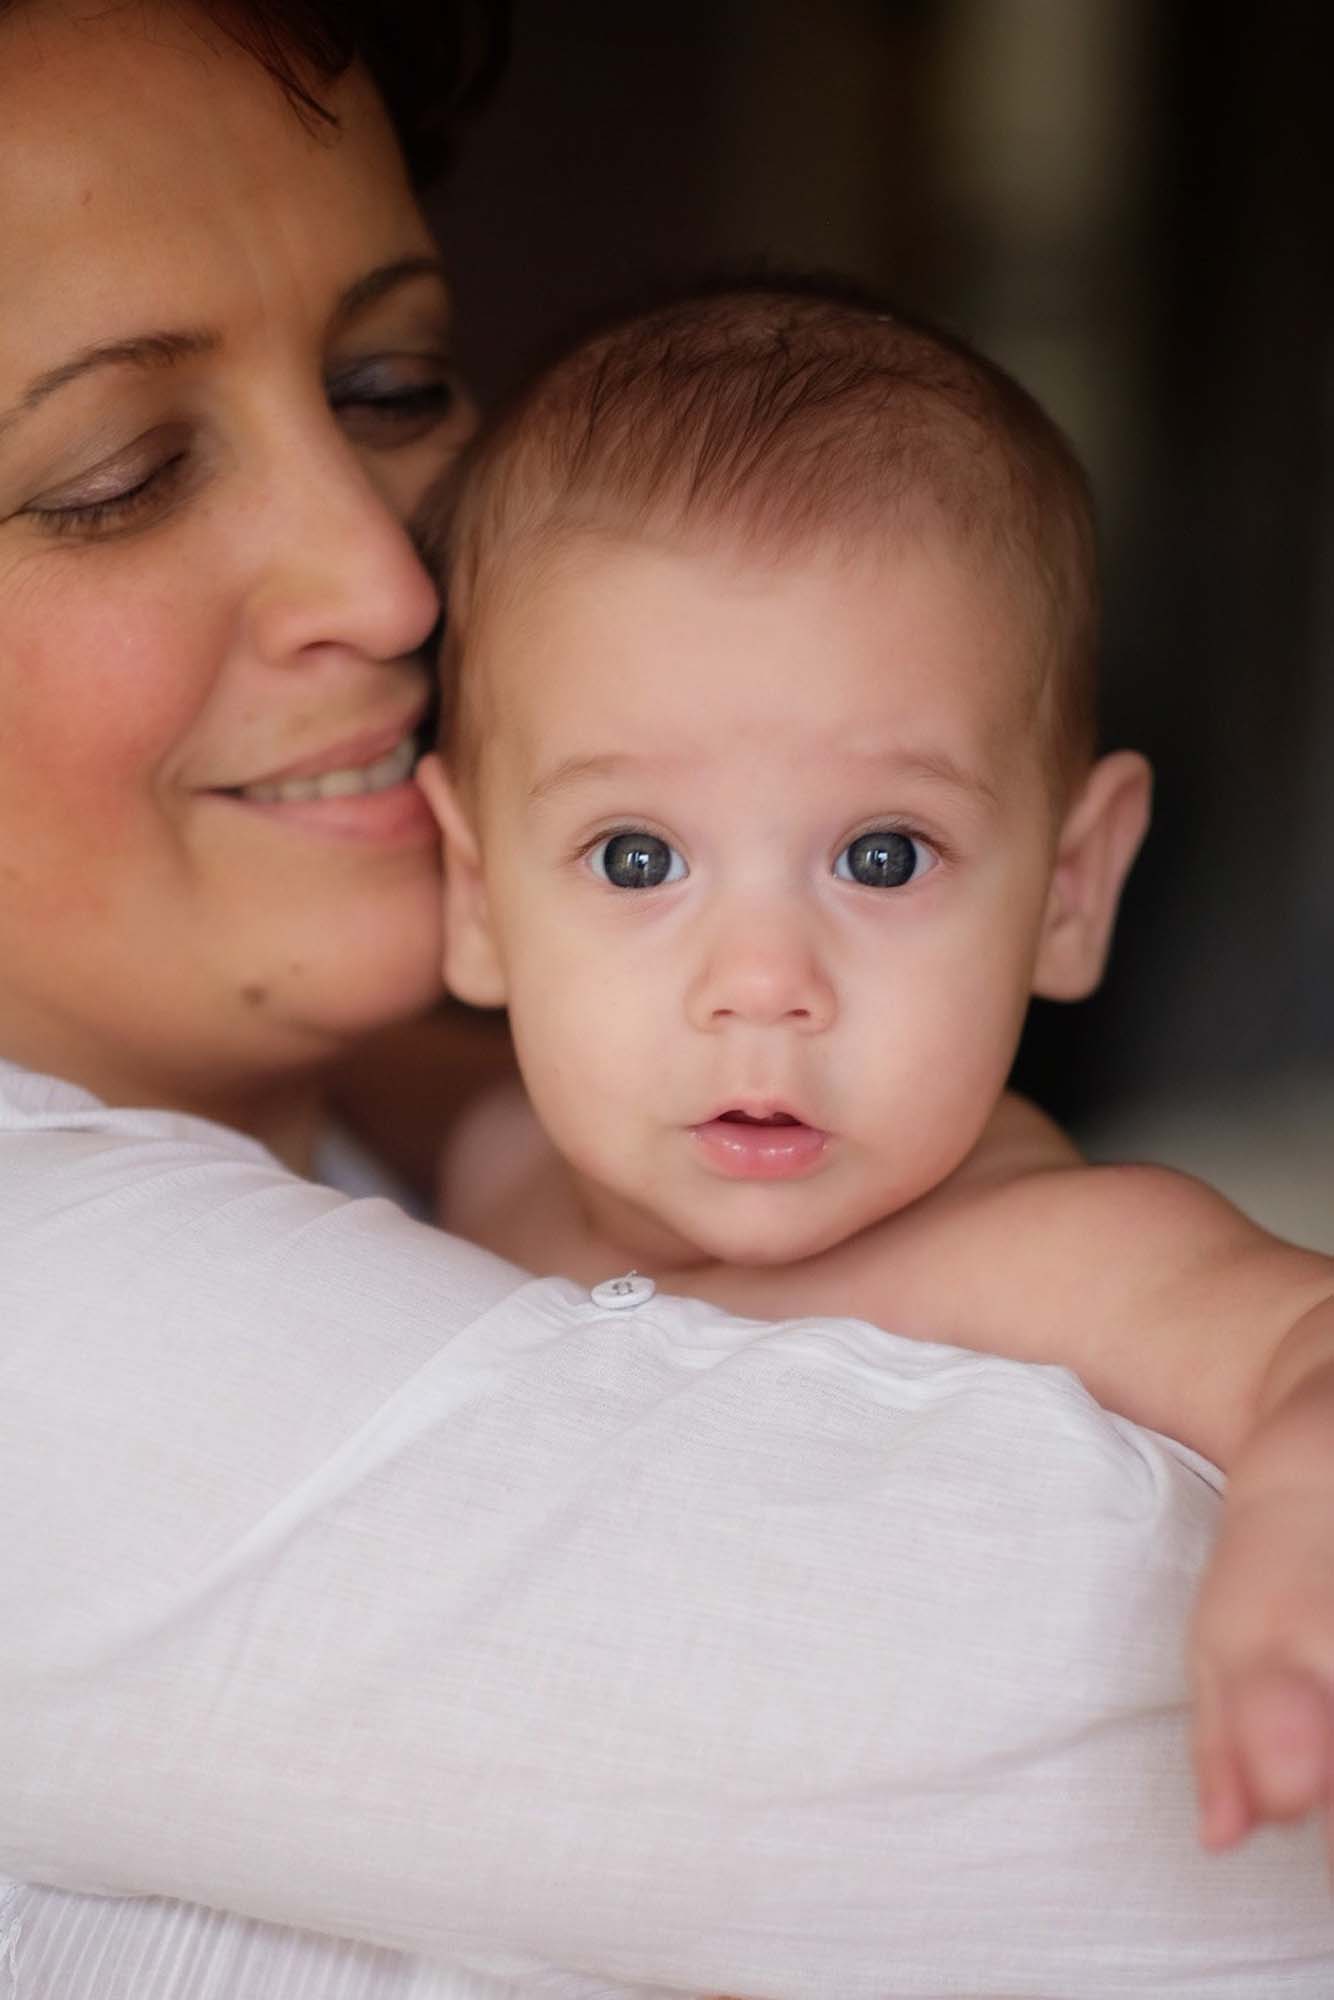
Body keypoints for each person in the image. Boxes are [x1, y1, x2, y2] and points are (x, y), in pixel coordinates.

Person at [2, 6, 1333, 1999]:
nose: (388, 582)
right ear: (479, 873)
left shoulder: (1008, 1237)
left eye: (394, 382)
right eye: (116, 475)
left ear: (1071, 885)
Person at [418, 280, 1334, 1857]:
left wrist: (1300, 1548)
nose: (762, 985)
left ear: (1066, 887)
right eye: (635, 856)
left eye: (883, 854)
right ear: (472, 898)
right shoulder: (496, 1155)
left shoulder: (1040, 1254)